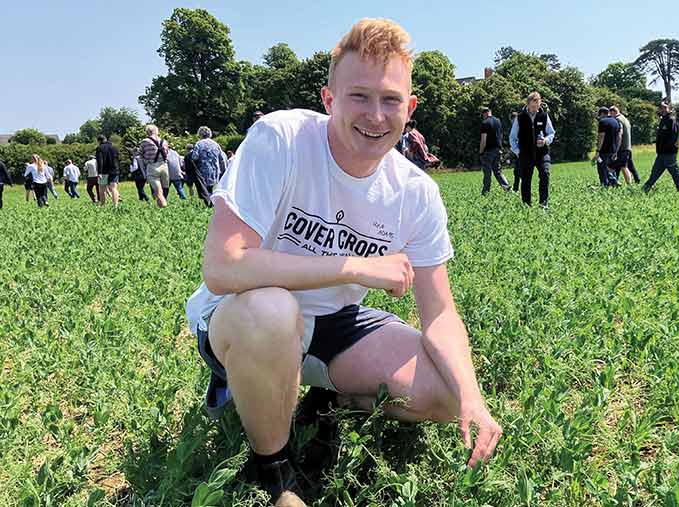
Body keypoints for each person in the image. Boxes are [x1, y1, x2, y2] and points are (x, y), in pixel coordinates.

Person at [184, 19, 501, 506]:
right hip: (245, 314)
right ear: (329, 99)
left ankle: (322, 398)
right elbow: (225, 268)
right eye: (359, 96)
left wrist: (472, 396)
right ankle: (276, 475)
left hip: (336, 322)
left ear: (410, 108)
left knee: (442, 393)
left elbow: (440, 313)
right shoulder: (281, 140)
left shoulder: (415, 193)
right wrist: (350, 267)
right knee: (272, 312)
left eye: (391, 100)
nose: (376, 115)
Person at [511, 92, 555, 207]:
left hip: (542, 153)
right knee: (525, 179)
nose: (535, 109)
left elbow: (551, 133)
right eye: (532, 106)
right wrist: (518, 151)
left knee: (545, 174)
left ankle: (543, 204)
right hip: (525, 153)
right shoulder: (520, 118)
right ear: (528, 104)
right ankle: (526, 205)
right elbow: (512, 137)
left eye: (537, 106)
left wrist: (545, 140)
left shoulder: (544, 116)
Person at [643, 102, 679, 193]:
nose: (663, 109)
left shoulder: (671, 120)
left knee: (674, 170)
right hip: (661, 152)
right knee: (656, 171)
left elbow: (674, 136)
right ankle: (646, 187)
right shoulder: (663, 120)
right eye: (661, 108)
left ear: (669, 109)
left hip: (669, 152)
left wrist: (671, 148)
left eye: (665, 108)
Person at [190, 126, 227, 206]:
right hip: (215, 170)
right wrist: (223, 170)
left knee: (205, 188)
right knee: (211, 187)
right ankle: (212, 203)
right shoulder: (216, 144)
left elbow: (194, 157)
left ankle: (209, 203)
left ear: (200, 134)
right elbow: (222, 158)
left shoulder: (199, 144)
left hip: (203, 170)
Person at [479, 107, 510, 194]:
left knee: (487, 172)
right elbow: (501, 135)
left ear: (484, 114)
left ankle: (485, 192)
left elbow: (483, 140)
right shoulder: (498, 121)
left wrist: (481, 152)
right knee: (498, 171)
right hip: (498, 149)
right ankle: (507, 188)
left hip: (488, 151)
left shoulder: (485, 123)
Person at [139, 124, 170, 208]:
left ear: (148, 132)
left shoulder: (145, 141)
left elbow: (140, 155)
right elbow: (167, 154)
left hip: (152, 166)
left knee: (158, 190)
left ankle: (164, 206)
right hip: (164, 166)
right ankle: (162, 208)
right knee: (165, 188)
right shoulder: (164, 141)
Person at [610, 106, 640, 184]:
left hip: (622, 147)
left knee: (623, 166)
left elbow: (620, 133)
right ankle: (637, 180)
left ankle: (629, 184)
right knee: (629, 166)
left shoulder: (618, 120)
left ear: (613, 112)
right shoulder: (625, 119)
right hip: (628, 147)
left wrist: (616, 148)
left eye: (611, 114)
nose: (610, 116)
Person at [594, 106, 622, 188]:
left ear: (602, 114)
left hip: (604, 150)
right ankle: (614, 183)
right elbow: (619, 137)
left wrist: (598, 150)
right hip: (613, 150)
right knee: (610, 168)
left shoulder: (602, 122)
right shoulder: (616, 121)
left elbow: (601, 136)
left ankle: (605, 185)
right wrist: (616, 150)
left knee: (602, 168)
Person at [95, 135, 120, 206]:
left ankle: (103, 205)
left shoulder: (99, 148)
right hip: (114, 170)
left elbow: (100, 160)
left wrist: (99, 172)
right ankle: (115, 205)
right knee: (113, 188)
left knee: (102, 188)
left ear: (99, 141)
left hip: (104, 171)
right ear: (106, 139)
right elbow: (117, 159)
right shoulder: (114, 147)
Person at [508, 110, 520, 192]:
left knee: (518, 171)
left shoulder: (520, 126)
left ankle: (517, 189)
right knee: (516, 171)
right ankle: (516, 188)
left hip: (521, 152)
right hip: (517, 153)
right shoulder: (514, 128)